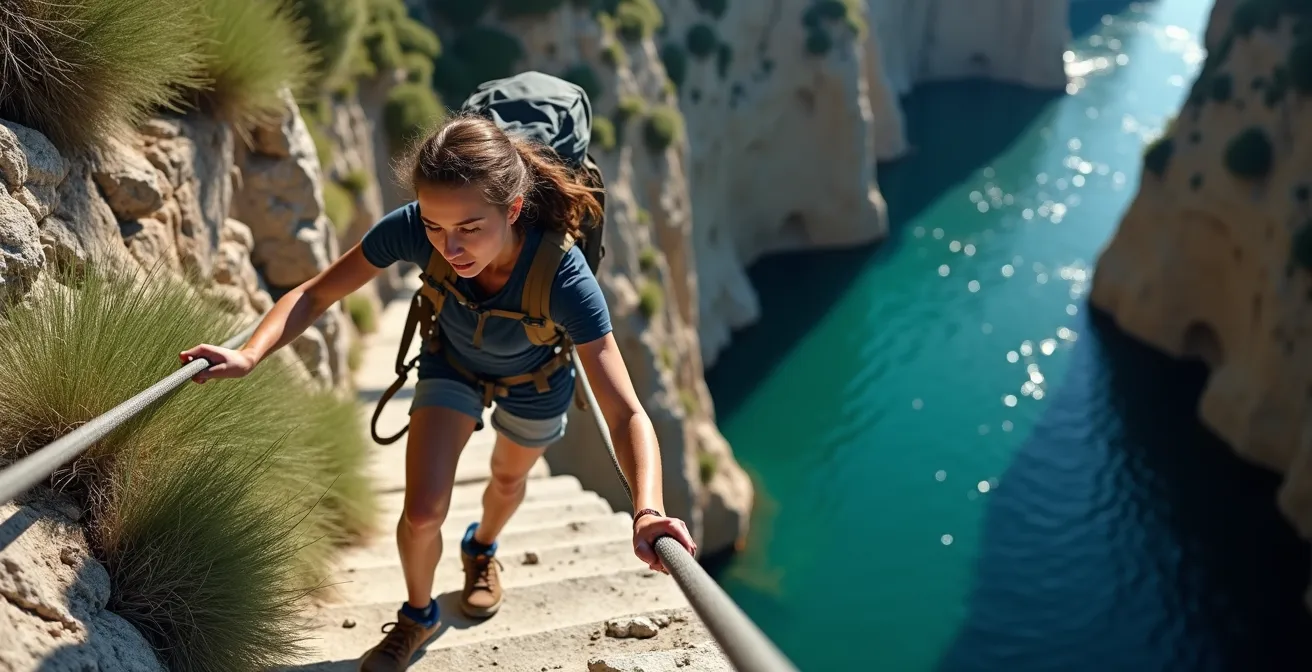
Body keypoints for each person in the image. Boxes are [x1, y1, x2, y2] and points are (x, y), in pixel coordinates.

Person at [178, 111, 698, 672]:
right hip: (451, 364)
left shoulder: (566, 278)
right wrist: (249, 353)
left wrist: (649, 509)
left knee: (507, 478)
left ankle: (481, 549)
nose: (449, 246)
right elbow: (314, 294)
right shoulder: (408, 227)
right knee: (423, 511)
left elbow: (624, 412)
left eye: (470, 228)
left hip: (538, 380)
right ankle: (418, 615)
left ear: (514, 209)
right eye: (434, 226)